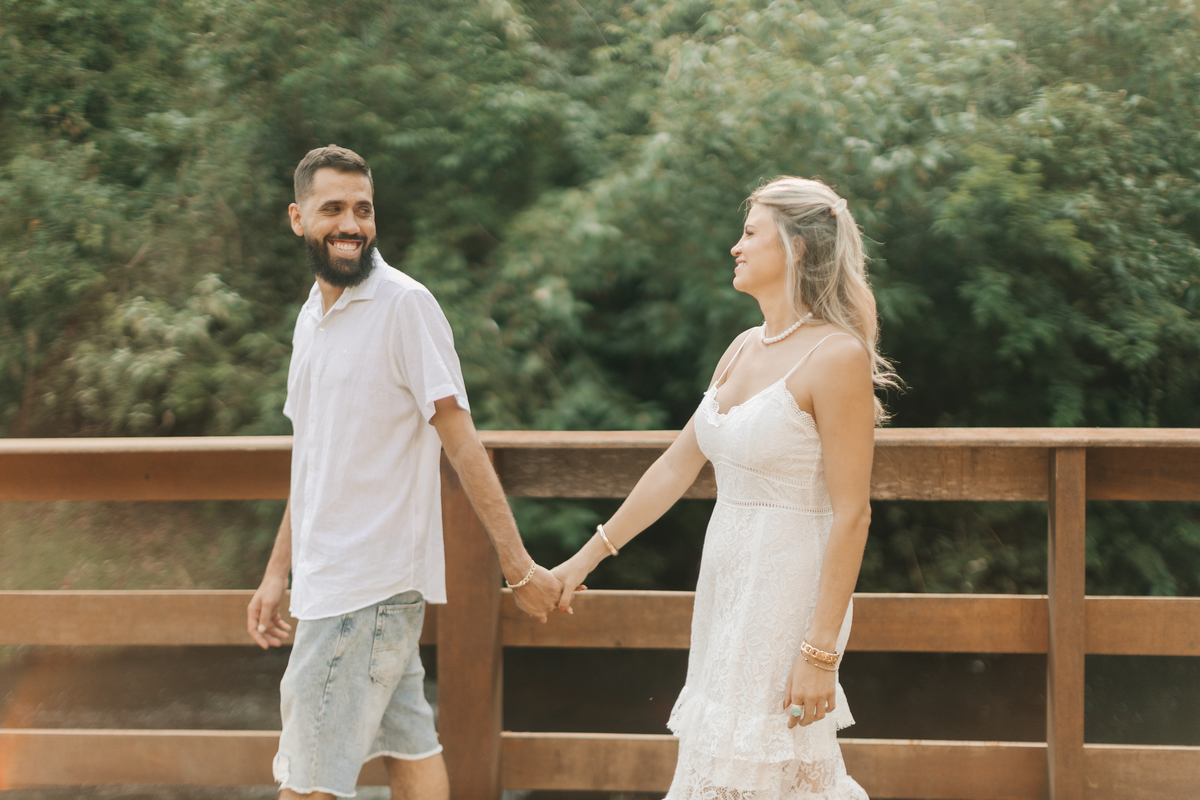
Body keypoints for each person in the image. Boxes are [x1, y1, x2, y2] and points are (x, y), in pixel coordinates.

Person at [552, 177, 894, 799]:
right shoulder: (741, 348)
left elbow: (853, 515)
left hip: (789, 598)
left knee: (777, 770)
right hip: (727, 590)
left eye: (750, 232)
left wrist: (820, 653)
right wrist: (585, 558)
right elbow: (675, 468)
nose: (735, 247)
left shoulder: (836, 357)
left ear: (796, 247)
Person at [246, 144, 563, 800]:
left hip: (367, 585)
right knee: (408, 745)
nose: (351, 224)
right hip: (335, 584)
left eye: (363, 210)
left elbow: (463, 445)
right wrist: (279, 571)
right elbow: (314, 461)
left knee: (306, 782)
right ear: (297, 219)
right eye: (333, 209)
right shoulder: (311, 317)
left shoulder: (404, 306)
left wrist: (518, 566)